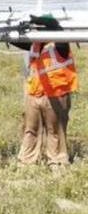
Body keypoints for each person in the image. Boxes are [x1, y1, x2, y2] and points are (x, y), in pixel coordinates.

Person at [12, 15, 77, 166]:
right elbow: (15, 41)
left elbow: (56, 28)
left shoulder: (60, 45)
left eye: (40, 29)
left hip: (56, 94)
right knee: (30, 129)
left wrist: (40, 20)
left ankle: (57, 162)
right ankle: (26, 161)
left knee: (55, 130)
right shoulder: (36, 44)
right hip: (35, 93)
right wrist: (17, 30)